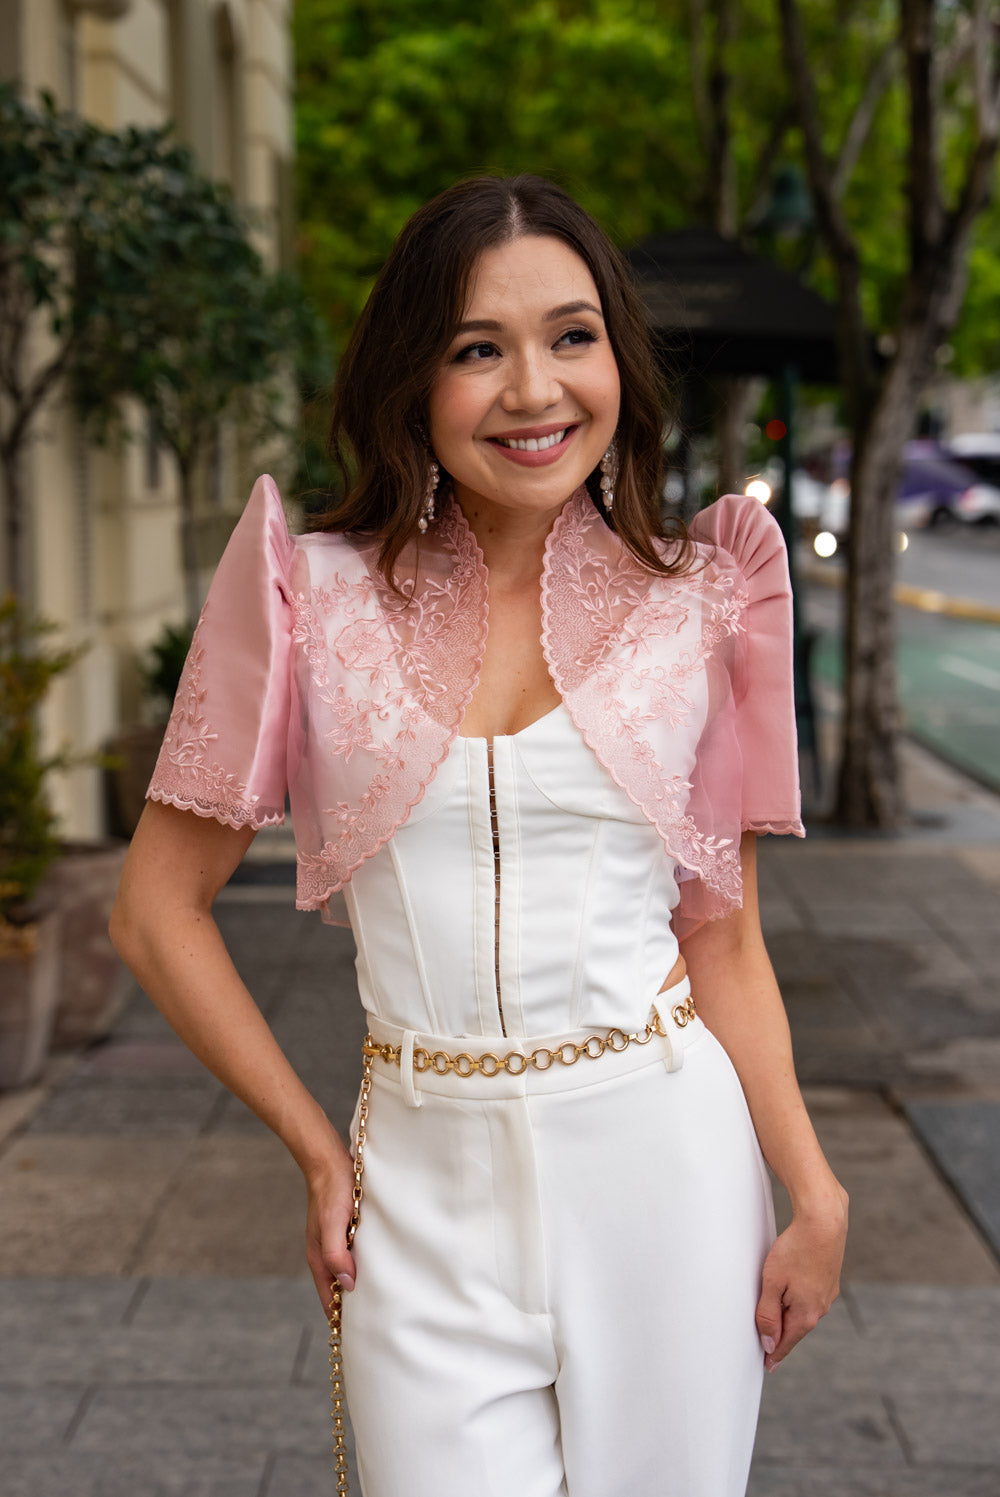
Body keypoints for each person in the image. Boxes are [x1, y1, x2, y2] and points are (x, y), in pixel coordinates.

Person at [110, 174, 848, 1497]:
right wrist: (315, 1147)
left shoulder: (701, 603)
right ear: (413, 376)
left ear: (619, 361)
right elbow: (155, 910)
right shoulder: (305, 594)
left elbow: (722, 935)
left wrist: (814, 1188)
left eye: (572, 336)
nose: (533, 389)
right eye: (476, 349)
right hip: (419, 1196)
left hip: (668, 1175)